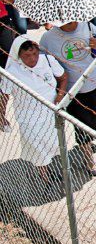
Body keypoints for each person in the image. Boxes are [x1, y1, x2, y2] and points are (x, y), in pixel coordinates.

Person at [40, 20, 96, 175]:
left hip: (94, 83)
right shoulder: (48, 37)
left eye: (72, 20)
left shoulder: (88, 27)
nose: (70, 25)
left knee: (95, 121)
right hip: (72, 89)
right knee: (80, 125)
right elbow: (42, 61)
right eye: (65, 22)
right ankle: (88, 160)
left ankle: (88, 140)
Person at [3, 36, 67, 183]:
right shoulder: (12, 71)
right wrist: (2, 115)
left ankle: (47, 167)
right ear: (19, 56)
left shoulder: (48, 61)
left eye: (35, 54)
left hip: (50, 113)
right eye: (27, 56)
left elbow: (63, 77)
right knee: (36, 147)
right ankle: (44, 177)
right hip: (28, 118)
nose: (32, 59)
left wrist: (60, 95)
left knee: (52, 143)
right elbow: (4, 95)